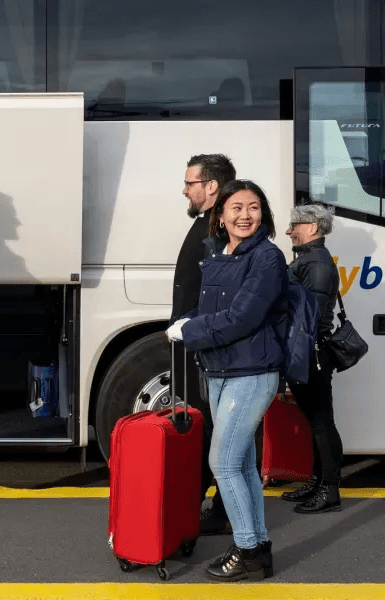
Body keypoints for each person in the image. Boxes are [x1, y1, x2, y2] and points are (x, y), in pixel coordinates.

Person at [167, 180, 288, 581]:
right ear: (221, 216)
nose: (245, 215)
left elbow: (243, 318)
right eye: (236, 207)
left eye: (254, 207)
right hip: (221, 371)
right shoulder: (222, 253)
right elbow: (215, 310)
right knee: (242, 465)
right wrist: (194, 328)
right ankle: (259, 547)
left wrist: (190, 331)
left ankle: (247, 550)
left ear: (263, 214)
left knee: (223, 463)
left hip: (252, 372)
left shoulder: (267, 257)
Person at [173, 154, 236, 536]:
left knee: (213, 430)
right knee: (208, 428)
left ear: (210, 186)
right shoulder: (208, 225)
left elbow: (217, 296)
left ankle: (219, 511)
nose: (185, 190)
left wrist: (191, 329)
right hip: (198, 344)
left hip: (205, 350)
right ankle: (204, 505)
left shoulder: (215, 230)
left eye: (190, 183)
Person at [281, 204, 343, 513]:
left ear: (313, 228)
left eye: (295, 225)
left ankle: (330, 491)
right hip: (306, 351)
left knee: (321, 423)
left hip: (311, 353)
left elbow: (310, 317)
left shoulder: (316, 262)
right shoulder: (308, 259)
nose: (289, 231)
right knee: (315, 422)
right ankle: (319, 483)